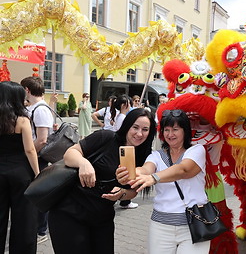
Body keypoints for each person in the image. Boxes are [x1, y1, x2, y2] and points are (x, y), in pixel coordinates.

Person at [48, 108, 156, 254]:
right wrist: (83, 163)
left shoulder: (144, 157)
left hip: (102, 218)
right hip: (70, 212)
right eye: (135, 127)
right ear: (127, 125)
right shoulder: (106, 137)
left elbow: (132, 191)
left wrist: (122, 193)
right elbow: (70, 154)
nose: (139, 133)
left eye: (145, 129)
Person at [116, 109, 210, 254]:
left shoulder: (197, 150)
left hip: (194, 225)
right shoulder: (156, 155)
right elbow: (146, 169)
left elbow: (183, 170)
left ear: (185, 131)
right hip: (160, 226)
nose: (170, 134)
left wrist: (154, 178)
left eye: (175, 129)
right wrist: (131, 173)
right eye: (166, 130)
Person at [0, 81, 40, 254]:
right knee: (24, 218)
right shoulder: (22, 120)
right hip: (20, 172)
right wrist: (38, 173)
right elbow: (30, 150)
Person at [21, 76, 54, 244]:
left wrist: (28, 153)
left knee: (38, 194)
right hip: (34, 156)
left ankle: (41, 231)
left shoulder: (40, 109)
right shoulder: (35, 107)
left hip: (38, 157)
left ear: (27, 90)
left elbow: (42, 139)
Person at [110, 94, 139, 209]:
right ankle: (125, 201)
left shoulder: (120, 116)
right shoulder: (123, 117)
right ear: (124, 105)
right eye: (129, 103)